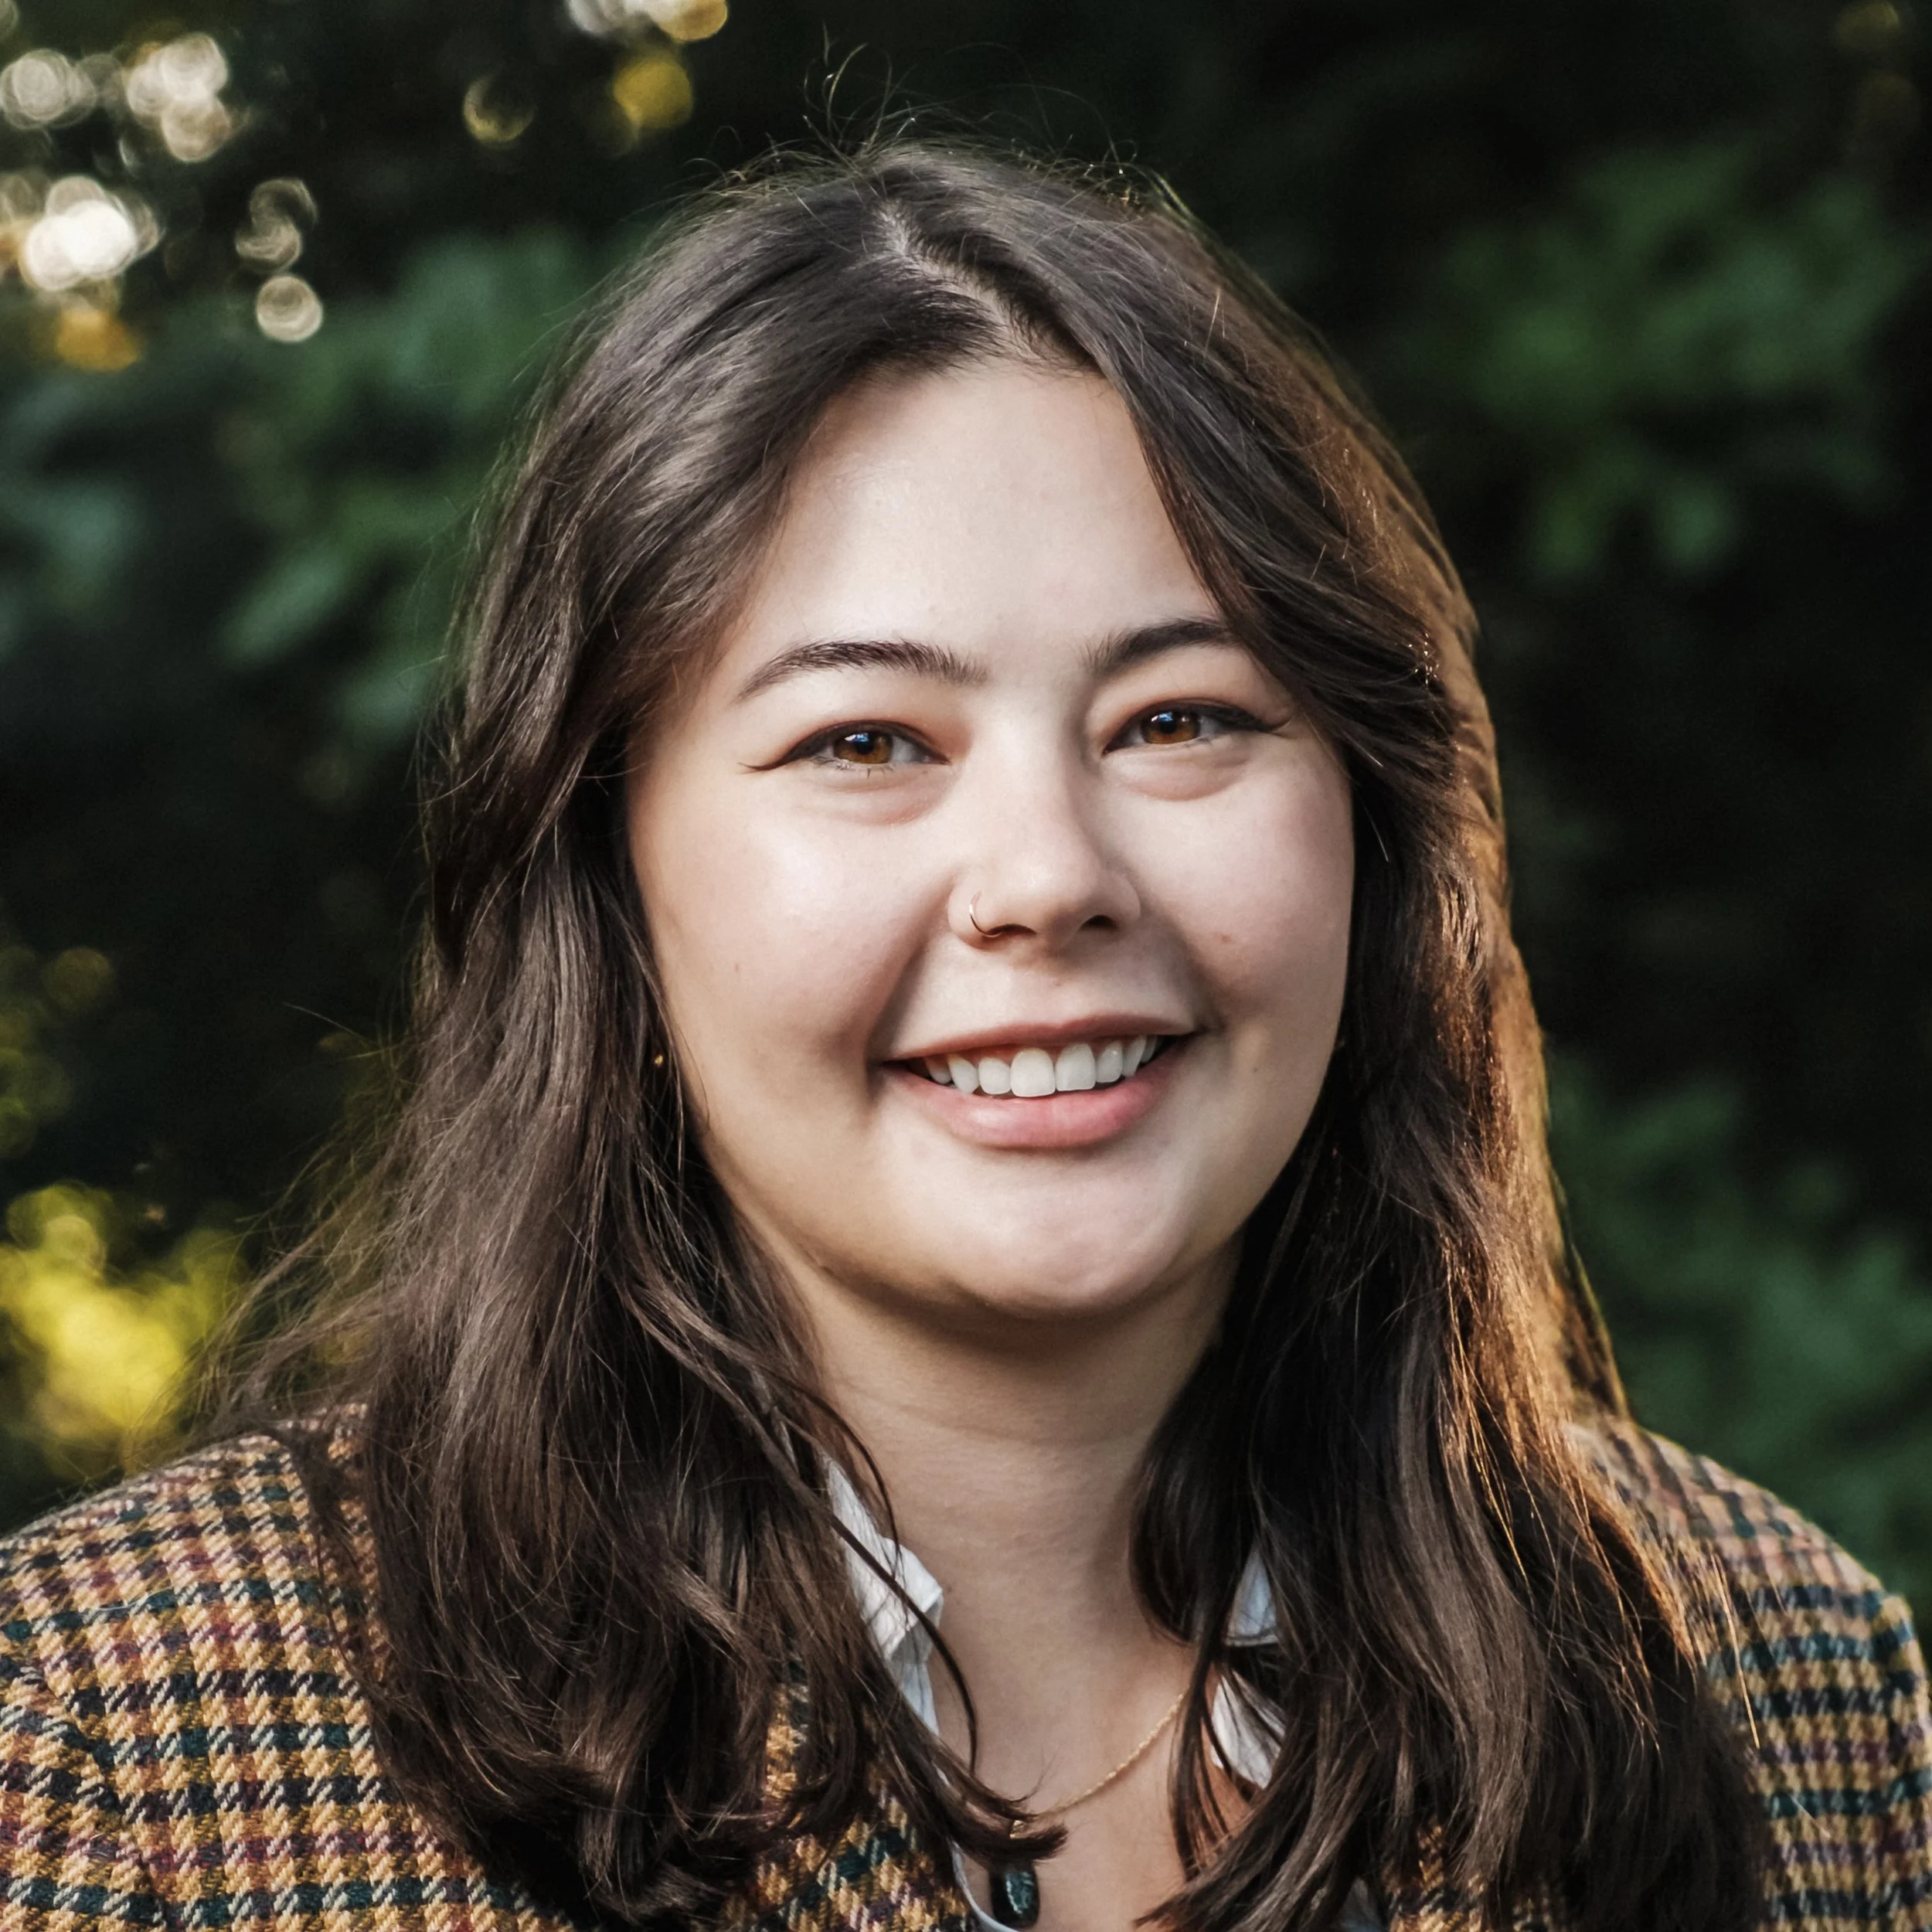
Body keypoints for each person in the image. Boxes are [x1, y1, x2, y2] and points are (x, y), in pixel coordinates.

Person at [0, 142, 1924, 1932]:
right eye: (862, 743)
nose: (1044, 876)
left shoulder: (1792, 1688)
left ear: (1375, 820)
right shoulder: (121, 1744)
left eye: (1180, 717)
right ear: (605, 871)